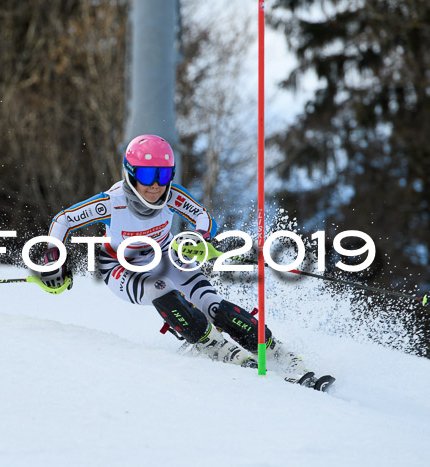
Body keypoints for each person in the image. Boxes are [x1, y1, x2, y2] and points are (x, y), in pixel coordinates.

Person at [40, 134, 311, 382]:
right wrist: (54, 260)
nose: (156, 185)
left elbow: (203, 218)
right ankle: (210, 345)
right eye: (147, 175)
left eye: (163, 174)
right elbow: (62, 220)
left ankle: (273, 350)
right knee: (164, 293)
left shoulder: (172, 196)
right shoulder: (113, 202)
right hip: (121, 269)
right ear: (131, 174)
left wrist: (198, 237)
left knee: (214, 306)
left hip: (166, 256)